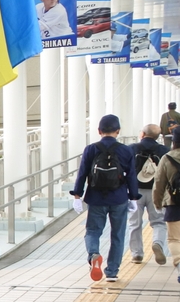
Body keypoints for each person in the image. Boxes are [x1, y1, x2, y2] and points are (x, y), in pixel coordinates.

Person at [71, 114, 140, 282]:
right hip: (119, 198)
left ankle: (94, 254)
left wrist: (77, 195)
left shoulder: (91, 149)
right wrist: (133, 197)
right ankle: (112, 272)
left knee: (93, 231)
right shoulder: (126, 150)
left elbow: (82, 173)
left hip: (96, 198)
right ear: (118, 131)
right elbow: (131, 175)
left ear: (99, 131)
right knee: (118, 235)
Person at [127, 124, 167, 264]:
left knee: (134, 223)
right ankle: (157, 243)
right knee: (159, 222)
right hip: (157, 191)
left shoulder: (132, 148)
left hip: (135, 192)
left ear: (142, 134)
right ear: (158, 136)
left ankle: (137, 254)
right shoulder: (164, 150)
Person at [152, 126, 180, 279]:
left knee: (175, 239)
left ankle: (179, 263)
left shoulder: (167, 158)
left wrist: (157, 204)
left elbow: (158, 183)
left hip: (173, 204)